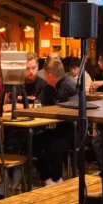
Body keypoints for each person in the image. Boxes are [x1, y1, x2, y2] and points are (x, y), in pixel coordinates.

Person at [33, 59, 77, 187]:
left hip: (74, 130)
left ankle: (57, 179)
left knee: (54, 147)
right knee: (33, 142)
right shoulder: (48, 87)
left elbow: (74, 112)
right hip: (59, 128)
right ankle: (48, 179)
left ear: (50, 75)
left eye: (45, 74)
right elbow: (38, 104)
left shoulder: (70, 86)